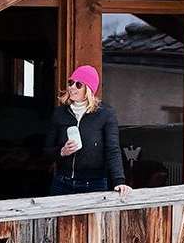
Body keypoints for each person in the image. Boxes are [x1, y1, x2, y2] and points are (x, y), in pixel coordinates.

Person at [46, 65, 131, 196]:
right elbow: (47, 150)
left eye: (78, 84)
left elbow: (112, 149)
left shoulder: (105, 114)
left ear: (88, 89)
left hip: (94, 184)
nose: (72, 87)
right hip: (62, 182)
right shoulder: (59, 113)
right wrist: (62, 151)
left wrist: (119, 180)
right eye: (70, 83)